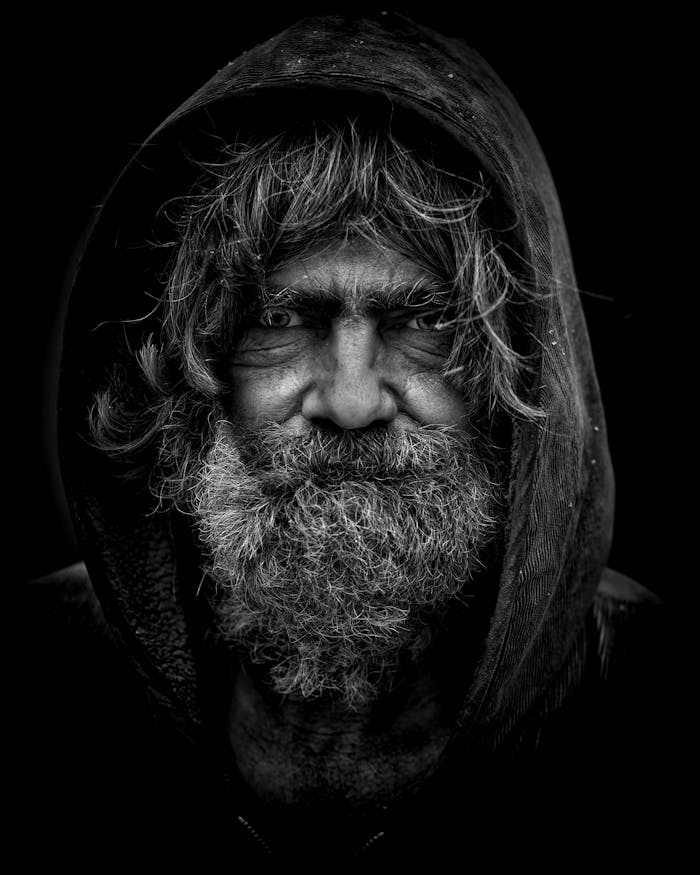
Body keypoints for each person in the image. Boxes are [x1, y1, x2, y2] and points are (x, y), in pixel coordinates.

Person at [16, 12, 668, 867]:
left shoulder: (649, 691)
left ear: (519, 374)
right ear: (193, 360)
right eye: (282, 318)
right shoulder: (35, 670)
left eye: (423, 323)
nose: (352, 402)